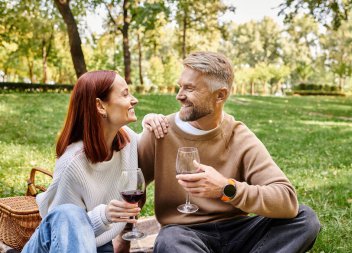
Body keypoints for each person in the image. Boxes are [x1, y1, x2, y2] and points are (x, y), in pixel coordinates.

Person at [137, 52, 321, 253]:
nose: (179, 95)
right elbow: (130, 183)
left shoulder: (239, 136)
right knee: (170, 240)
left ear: (220, 95)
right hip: (185, 233)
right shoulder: (160, 130)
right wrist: (124, 234)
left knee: (305, 219)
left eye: (189, 88)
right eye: (180, 86)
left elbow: (286, 200)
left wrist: (226, 188)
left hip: (238, 232)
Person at [22, 70, 166, 253]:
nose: (134, 99)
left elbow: (146, 149)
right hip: (53, 245)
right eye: (125, 94)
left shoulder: (126, 141)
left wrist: (151, 122)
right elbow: (63, 227)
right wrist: (104, 215)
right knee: (70, 213)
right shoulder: (73, 163)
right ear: (100, 106)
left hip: (96, 243)